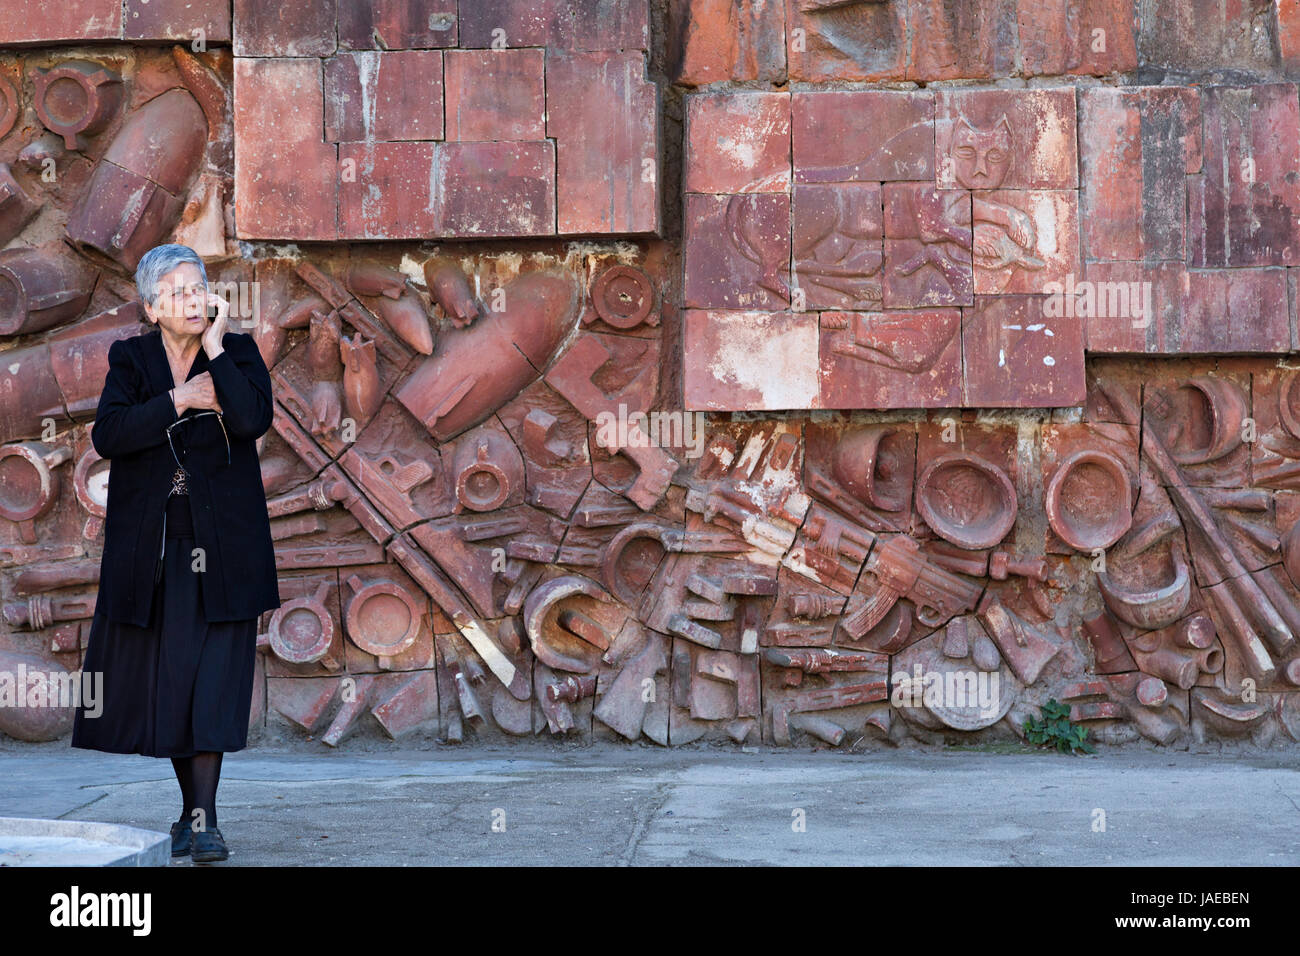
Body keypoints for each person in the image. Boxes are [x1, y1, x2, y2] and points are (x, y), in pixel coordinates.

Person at [70, 244, 281, 864]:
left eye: (200, 288)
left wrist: (216, 351)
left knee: (213, 685)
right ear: (151, 306)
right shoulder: (130, 359)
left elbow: (251, 421)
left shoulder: (236, 353)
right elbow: (110, 434)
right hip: (158, 552)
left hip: (227, 550)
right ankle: (194, 816)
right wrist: (180, 401)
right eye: (180, 291)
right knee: (176, 687)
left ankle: (204, 821)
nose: (194, 299)